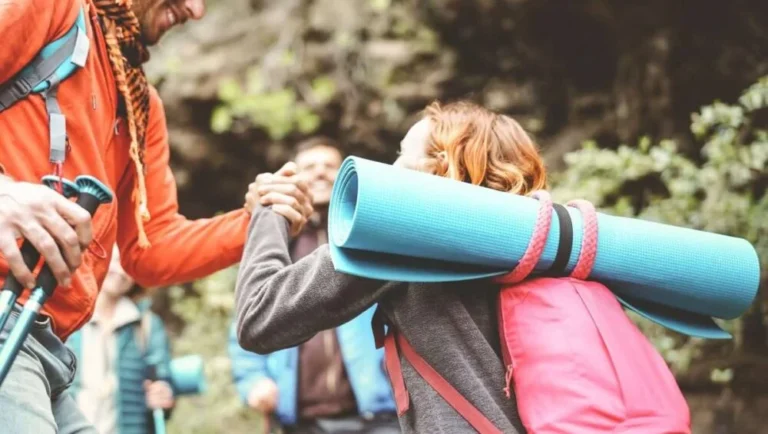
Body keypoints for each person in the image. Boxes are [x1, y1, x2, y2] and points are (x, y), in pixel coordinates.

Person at [234, 101, 690, 433]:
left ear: (439, 168)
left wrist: (269, 214)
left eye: (401, 155)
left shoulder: (406, 232)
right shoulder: (555, 240)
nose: (390, 170)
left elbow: (261, 318)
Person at [0, 0, 312, 432]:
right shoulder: (50, 10)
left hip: (45, 345)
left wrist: (253, 220)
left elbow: (151, 249)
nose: (195, 10)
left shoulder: (138, 103)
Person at [230, 138, 399, 434]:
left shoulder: (367, 237)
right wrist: (253, 382)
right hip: (301, 421)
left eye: (330, 166)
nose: (321, 172)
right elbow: (244, 322)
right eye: (310, 166)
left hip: (379, 416)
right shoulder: (278, 244)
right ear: (295, 180)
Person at [67, 246, 174, 434]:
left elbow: (161, 380)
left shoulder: (146, 324)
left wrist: (163, 394)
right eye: (114, 261)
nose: (120, 271)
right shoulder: (69, 318)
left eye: (128, 265)